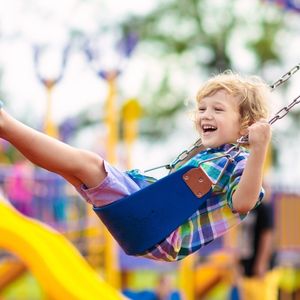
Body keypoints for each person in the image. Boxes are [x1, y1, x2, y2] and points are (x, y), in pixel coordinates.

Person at [0, 71, 272, 262]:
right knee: (71, 170)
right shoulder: (209, 157)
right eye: (202, 109)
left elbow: (244, 202)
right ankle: (7, 131)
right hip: (149, 220)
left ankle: (5, 124)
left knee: (88, 163)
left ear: (246, 124)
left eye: (218, 109)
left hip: (161, 230)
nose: (206, 115)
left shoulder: (240, 162)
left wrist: (259, 148)